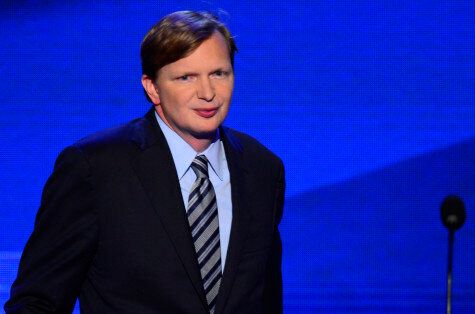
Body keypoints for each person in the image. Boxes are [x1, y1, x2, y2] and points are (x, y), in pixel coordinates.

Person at [4, 10, 284, 314]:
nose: (208, 93)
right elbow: (36, 302)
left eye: (219, 73)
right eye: (186, 77)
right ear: (152, 87)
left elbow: (265, 299)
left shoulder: (262, 168)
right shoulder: (95, 169)